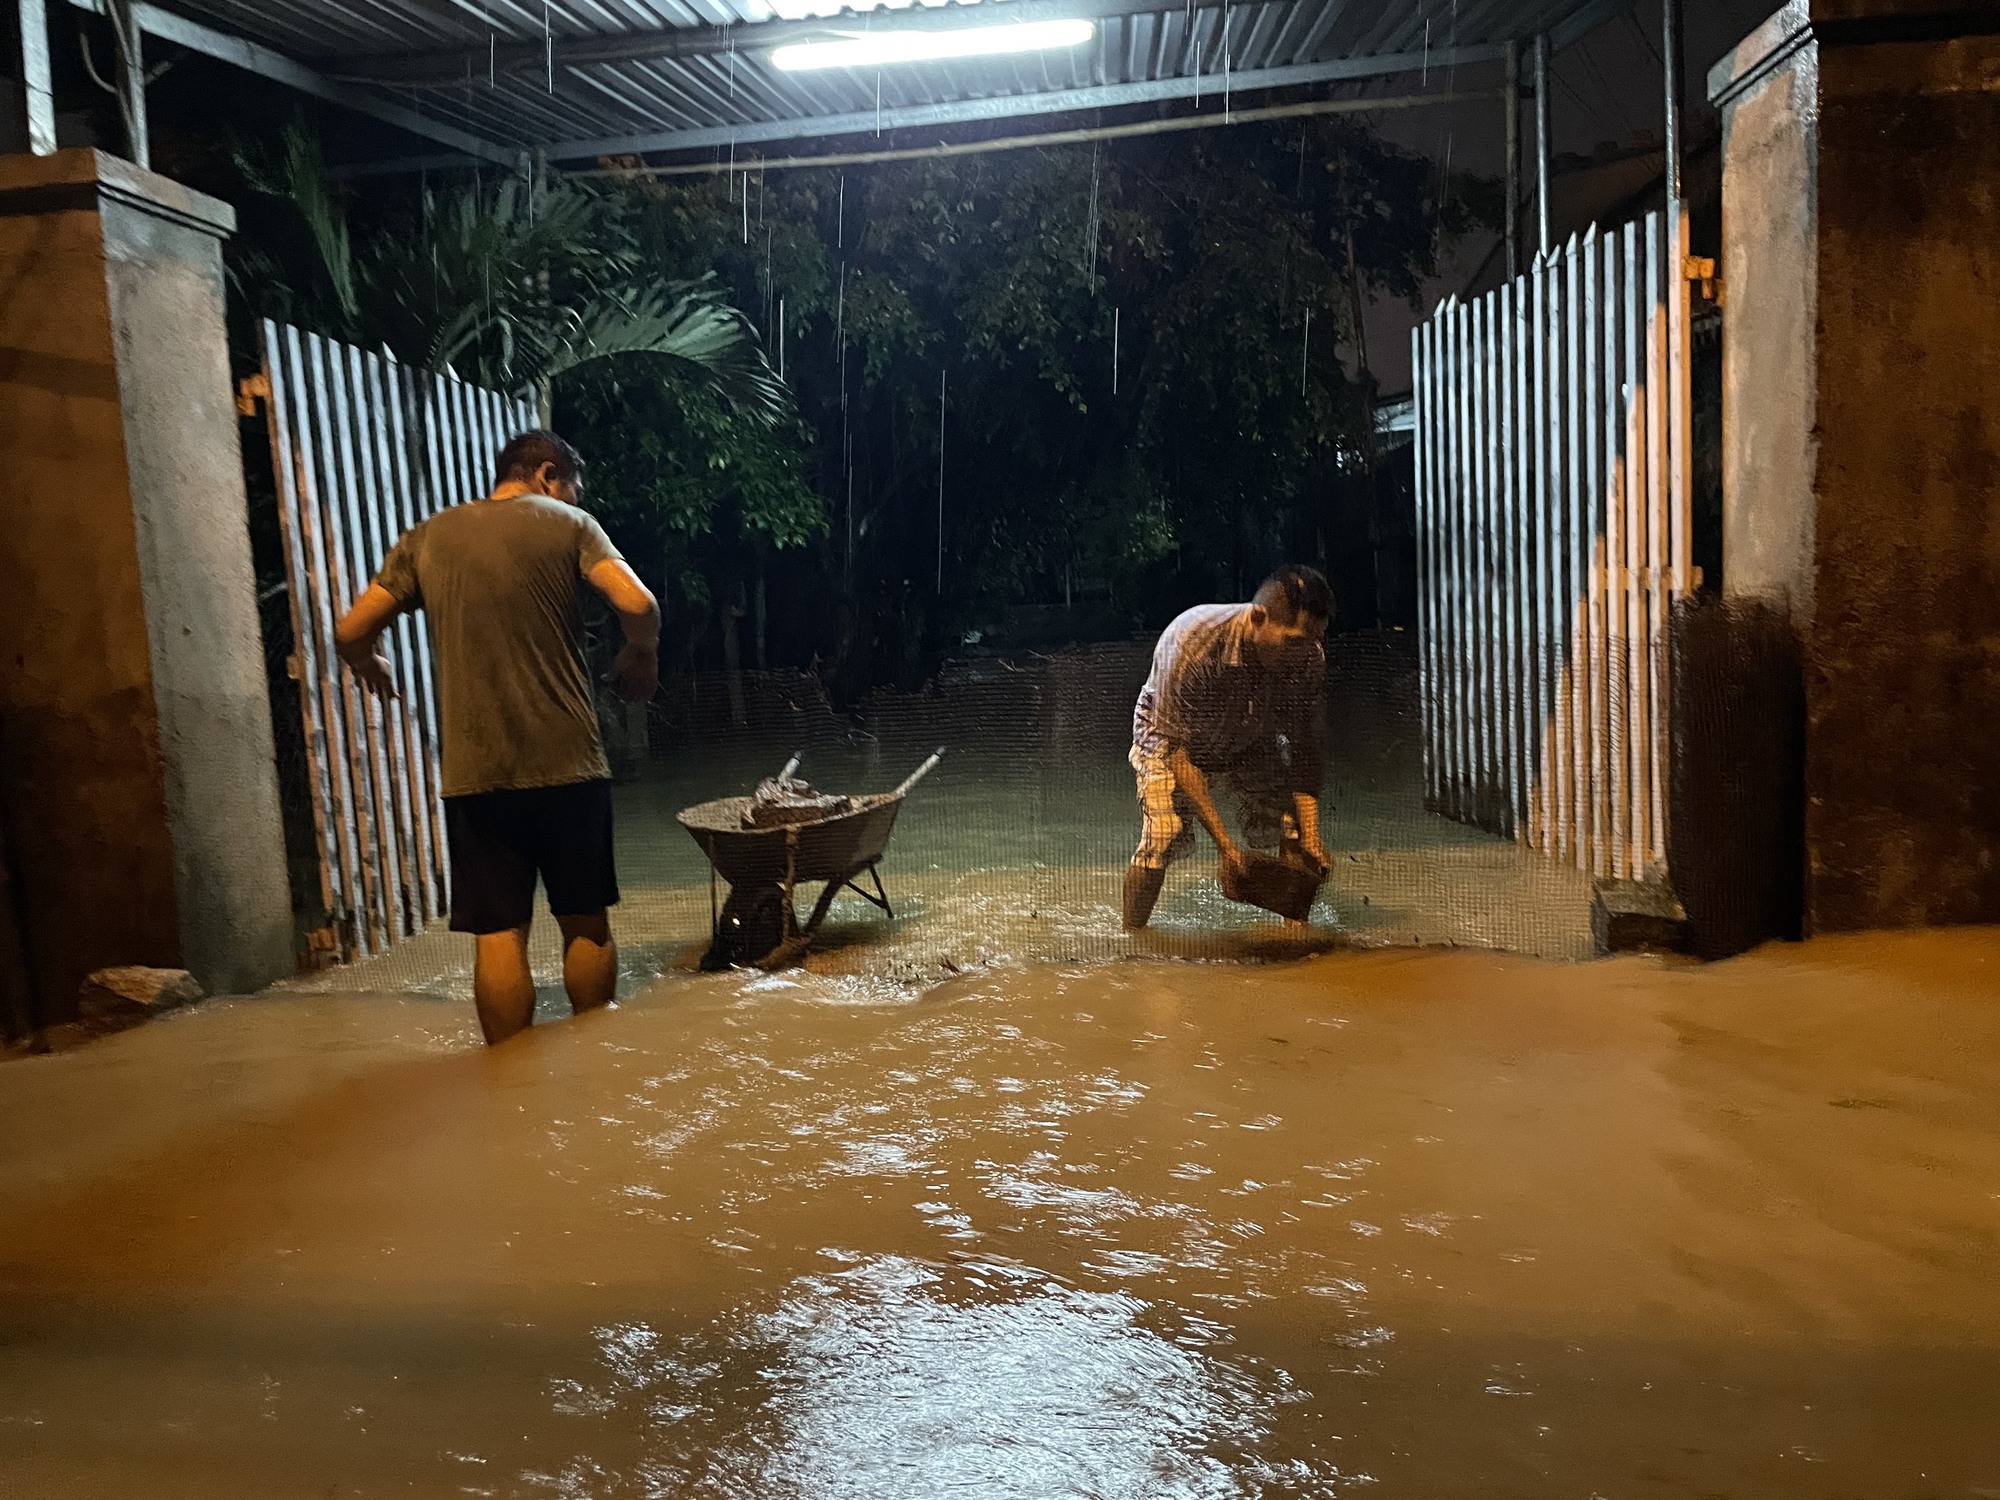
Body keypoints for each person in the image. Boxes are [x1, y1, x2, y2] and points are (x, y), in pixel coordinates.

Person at [334, 431, 660, 1045]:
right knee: (585, 923)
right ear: (546, 473)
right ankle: (597, 1064)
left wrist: (368, 663)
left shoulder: (427, 538)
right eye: (570, 485)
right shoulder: (570, 524)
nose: (570, 496)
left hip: (477, 774)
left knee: (500, 934)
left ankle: (508, 1085)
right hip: (568, 763)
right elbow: (637, 603)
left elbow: (351, 629)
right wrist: (641, 656)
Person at [1123, 565, 1334, 930]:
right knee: (1163, 834)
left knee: (1296, 831)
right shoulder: (1192, 640)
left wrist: (1313, 838)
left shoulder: (1308, 657)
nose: (1304, 654)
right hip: (1171, 739)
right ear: (1257, 618)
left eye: (1313, 641)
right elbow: (1179, 755)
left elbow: (1303, 748)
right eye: (1294, 642)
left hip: (1248, 738)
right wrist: (1227, 848)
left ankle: (1296, 942)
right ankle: (1132, 939)